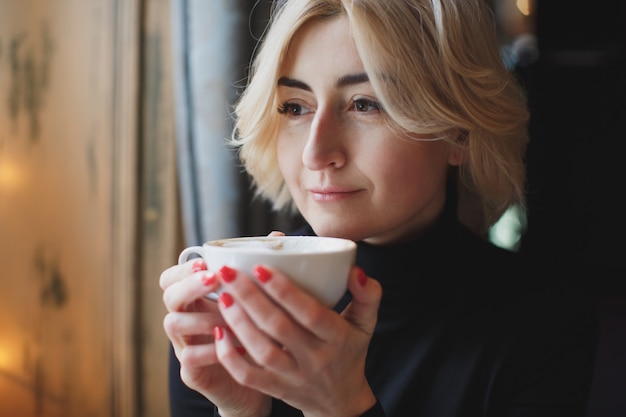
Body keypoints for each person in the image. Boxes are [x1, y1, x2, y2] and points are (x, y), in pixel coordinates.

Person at [160, 0, 598, 416]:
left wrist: (341, 408)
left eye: (365, 104)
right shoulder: (224, 308)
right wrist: (238, 412)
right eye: (295, 107)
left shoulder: (547, 323)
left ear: (459, 132)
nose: (316, 152)